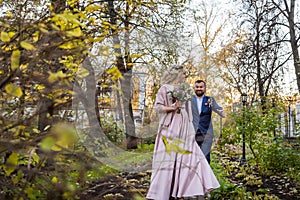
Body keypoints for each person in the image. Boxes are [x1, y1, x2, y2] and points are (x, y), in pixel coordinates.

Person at [146, 66, 220, 200]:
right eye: (183, 73)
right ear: (176, 74)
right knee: (169, 157)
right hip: (171, 125)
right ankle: (166, 191)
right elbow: (158, 107)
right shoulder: (164, 88)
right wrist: (172, 107)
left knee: (190, 156)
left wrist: (191, 127)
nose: (184, 75)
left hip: (185, 125)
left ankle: (185, 189)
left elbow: (189, 111)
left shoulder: (185, 89)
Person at [191, 80, 225, 164]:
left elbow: (218, 109)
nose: (199, 89)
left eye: (201, 87)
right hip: (192, 132)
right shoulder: (189, 100)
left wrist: (221, 111)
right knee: (193, 157)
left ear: (205, 88)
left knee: (205, 157)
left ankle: (205, 176)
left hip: (206, 133)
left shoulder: (210, 100)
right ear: (194, 88)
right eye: (197, 87)